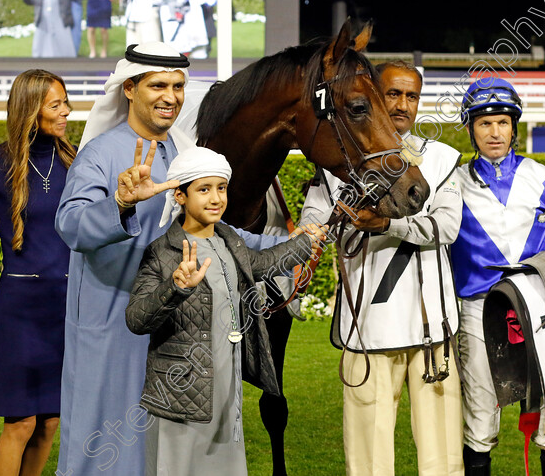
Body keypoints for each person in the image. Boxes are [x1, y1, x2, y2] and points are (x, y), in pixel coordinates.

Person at [55, 41, 287, 475]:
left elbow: (217, 234)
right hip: (111, 330)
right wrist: (121, 203)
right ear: (129, 88)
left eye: (178, 86)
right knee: (106, 447)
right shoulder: (100, 154)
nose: (171, 96)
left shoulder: (184, 157)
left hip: (175, 332)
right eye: (158, 85)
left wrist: (291, 249)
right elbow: (70, 227)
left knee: (168, 452)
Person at [300, 61, 464, 475]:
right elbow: (311, 222)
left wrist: (387, 224)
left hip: (430, 329)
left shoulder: (441, 159)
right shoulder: (337, 160)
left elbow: (447, 226)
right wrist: (315, 234)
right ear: (374, 95)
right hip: (367, 327)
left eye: (411, 96)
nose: (402, 105)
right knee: (368, 458)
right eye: (393, 94)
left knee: (441, 457)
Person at [126, 147, 325, 475]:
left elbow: (261, 264)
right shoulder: (162, 253)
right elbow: (136, 319)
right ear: (179, 196)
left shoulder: (228, 239)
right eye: (204, 189)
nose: (216, 198)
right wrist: (175, 288)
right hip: (179, 400)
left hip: (225, 394)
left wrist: (307, 242)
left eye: (221, 188)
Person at [451, 77, 545, 476]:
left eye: (502, 122)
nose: (494, 132)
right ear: (470, 128)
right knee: (479, 419)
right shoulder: (453, 184)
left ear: (514, 126)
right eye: (484, 123)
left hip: (542, 309)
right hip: (477, 311)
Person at [0, 70, 75, 476]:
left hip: (67, 309)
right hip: (20, 311)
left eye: (65, 102)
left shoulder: (76, 160)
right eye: (56, 105)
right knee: (21, 422)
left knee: (51, 421)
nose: (67, 111)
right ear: (31, 110)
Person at [16, 0, 107, 58]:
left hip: (60, 22)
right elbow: (31, 1)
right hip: (44, 23)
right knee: (42, 48)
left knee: (63, 46)